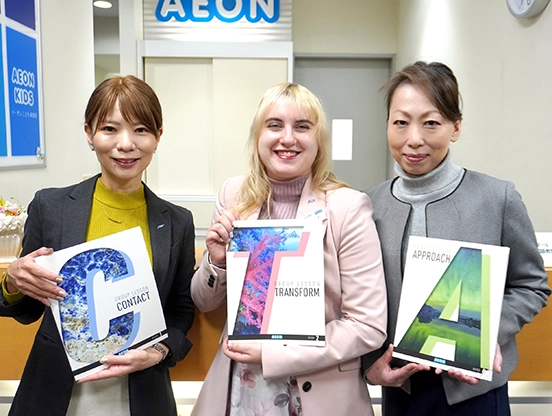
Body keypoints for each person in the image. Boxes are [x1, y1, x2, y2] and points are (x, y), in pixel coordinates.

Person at [361, 61, 550, 416]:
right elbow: (355, 299)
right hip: (400, 387)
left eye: (431, 123)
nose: (414, 139)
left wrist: (486, 335)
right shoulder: (367, 205)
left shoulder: (496, 198)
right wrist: (370, 365)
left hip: (473, 392)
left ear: (456, 128)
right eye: (400, 122)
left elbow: (531, 285)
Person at [0, 75, 196, 416]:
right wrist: (13, 281)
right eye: (109, 129)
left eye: (140, 130)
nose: (126, 144)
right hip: (55, 392)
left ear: (158, 137)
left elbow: (181, 308)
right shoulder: (51, 207)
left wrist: (160, 351)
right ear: (89, 133)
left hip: (141, 393)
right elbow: (27, 310)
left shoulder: (178, 221)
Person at [190, 82, 387, 415]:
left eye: (302, 127)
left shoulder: (348, 207)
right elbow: (204, 301)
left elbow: (367, 325)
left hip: (319, 393)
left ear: (319, 141)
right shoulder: (234, 195)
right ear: (258, 136)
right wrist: (218, 261)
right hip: (242, 390)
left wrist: (274, 355)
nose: (287, 138)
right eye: (274, 125)